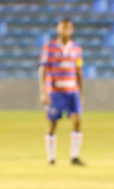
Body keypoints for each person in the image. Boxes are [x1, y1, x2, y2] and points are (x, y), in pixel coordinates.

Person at [38, 18, 85, 166]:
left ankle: (74, 156)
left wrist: (81, 93)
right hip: (56, 91)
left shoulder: (76, 48)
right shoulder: (49, 48)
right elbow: (43, 70)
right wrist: (44, 91)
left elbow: (78, 70)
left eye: (68, 28)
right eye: (62, 28)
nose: (65, 31)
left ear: (72, 30)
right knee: (53, 122)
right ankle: (51, 158)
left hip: (72, 90)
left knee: (77, 120)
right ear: (58, 29)